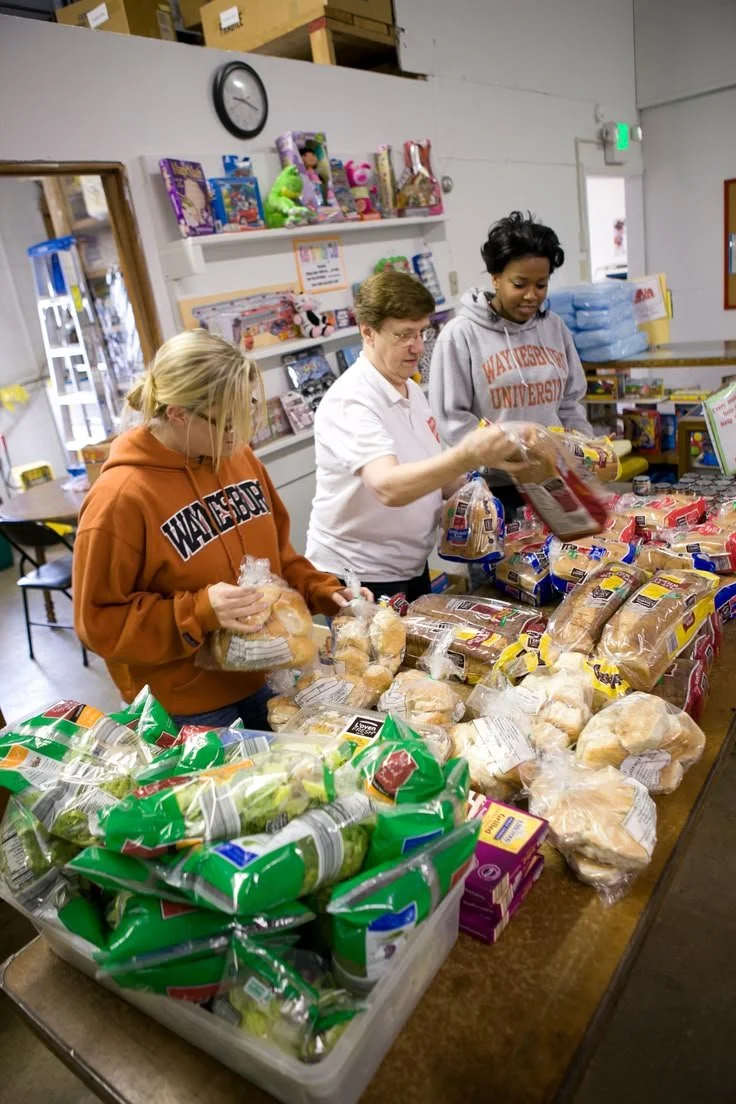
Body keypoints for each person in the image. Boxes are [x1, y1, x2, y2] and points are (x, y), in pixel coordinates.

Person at [73, 329, 360, 731]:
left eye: (246, 415)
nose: (239, 435)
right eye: (226, 422)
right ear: (177, 412)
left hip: (271, 677)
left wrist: (322, 589)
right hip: (190, 708)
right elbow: (99, 623)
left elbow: (280, 557)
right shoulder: (120, 499)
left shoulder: (236, 456)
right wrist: (200, 610)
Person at [305, 270, 525, 602]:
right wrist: (466, 454)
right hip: (359, 575)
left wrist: (475, 490)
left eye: (422, 333)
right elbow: (388, 486)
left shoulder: (409, 388)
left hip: (408, 564)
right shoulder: (351, 399)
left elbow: (429, 470)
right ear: (368, 332)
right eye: (404, 335)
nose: (417, 347)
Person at [430, 210, 593, 515]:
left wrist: (586, 451)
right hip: (492, 488)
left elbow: (569, 403)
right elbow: (452, 420)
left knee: (567, 560)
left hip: (554, 479)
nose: (532, 295)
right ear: (495, 278)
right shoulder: (461, 334)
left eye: (541, 285)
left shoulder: (553, 327)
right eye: (520, 284)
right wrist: (504, 455)